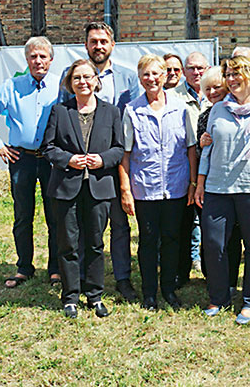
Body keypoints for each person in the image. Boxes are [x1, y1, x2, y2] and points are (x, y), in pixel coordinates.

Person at [194, 57, 250, 324]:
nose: (232, 79)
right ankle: (219, 298)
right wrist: (200, 183)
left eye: (237, 74)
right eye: (228, 75)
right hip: (217, 187)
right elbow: (208, 150)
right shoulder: (218, 110)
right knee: (213, 244)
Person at [59, 22, 141, 303]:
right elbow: (62, 121)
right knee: (83, 226)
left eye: (103, 41)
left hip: (115, 162)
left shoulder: (128, 78)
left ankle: (122, 279)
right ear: (86, 45)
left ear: (112, 45)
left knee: (120, 225)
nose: (98, 46)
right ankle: (80, 280)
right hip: (83, 167)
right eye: (93, 41)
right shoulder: (72, 76)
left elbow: (132, 122)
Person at [0, 36, 60, 288]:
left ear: (51, 60)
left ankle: (55, 269)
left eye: (43, 56)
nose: (38, 61)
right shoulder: (11, 87)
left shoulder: (60, 87)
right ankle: (24, 267)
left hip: (51, 160)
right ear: (27, 59)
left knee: (55, 216)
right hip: (21, 158)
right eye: (33, 56)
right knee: (23, 215)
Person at [42, 59, 124, 318]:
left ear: (97, 81)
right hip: (67, 186)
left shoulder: (111, 112)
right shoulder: (60, 111)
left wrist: (102, 160)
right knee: (68, 243)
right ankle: (70, 297)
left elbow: (119, 149)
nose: (83, 82)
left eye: (88, 77)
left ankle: (95, 295)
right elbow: (48, 147)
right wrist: (67, 160)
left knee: (96, 243)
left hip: (99, 187)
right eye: (77, 78)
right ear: (70, 83)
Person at [118, 54, 198, 311]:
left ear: (165, 76)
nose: (151, 79)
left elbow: (191, 149)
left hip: (176, 186)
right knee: (148, 240)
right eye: (146, 75)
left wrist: (193, 183)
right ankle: (149, 292)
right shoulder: (132, 110)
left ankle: (169, 289)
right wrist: (126, 189)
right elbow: (125, 154)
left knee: (173, 238)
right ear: (140, 79)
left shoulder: (181, 107)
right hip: (145, 187)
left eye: (156, 73)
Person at [167, 51, 211, 286]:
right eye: (191, 68)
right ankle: (180, 272)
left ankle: (208, 271)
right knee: (182, 225)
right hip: (183, 170)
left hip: (212, 172)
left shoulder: (217, 94)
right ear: (184, 72)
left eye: (200, 68)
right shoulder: (171, 97)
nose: (196, 73)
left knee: (209, 225)